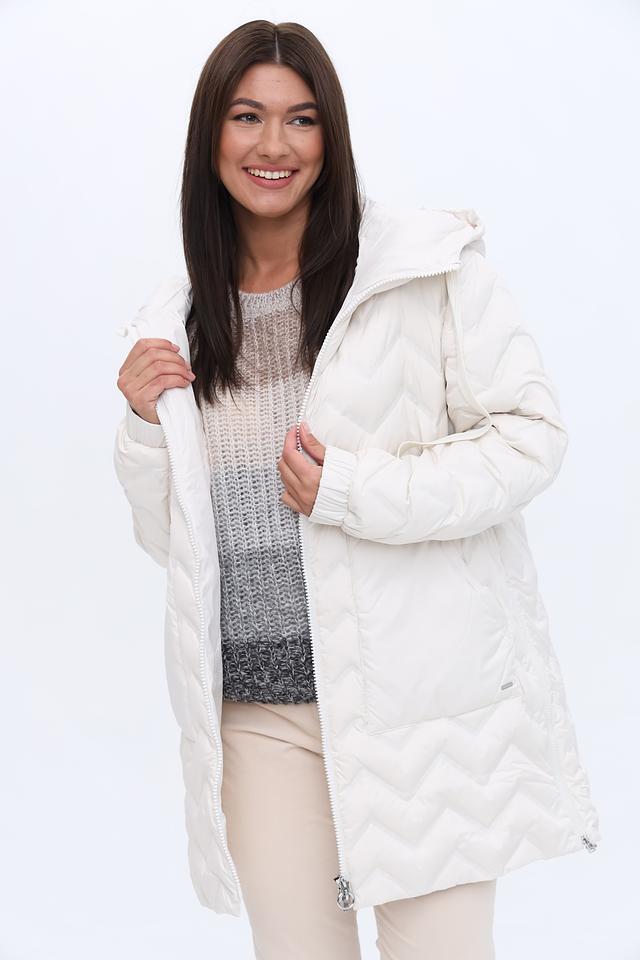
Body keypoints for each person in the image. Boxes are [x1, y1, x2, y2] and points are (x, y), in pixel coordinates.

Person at [113, 19, 601, 960]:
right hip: (260, 719)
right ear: (209, 134)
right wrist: (143, 426)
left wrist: (352, 489)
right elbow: (175, 548)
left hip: (418, 710)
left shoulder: (419, 270)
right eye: (246, 116)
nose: (273, 144)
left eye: (301, 119)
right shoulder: (182, 322)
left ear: (330, 136)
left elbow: (531, 439)